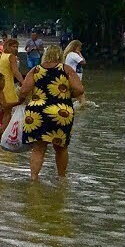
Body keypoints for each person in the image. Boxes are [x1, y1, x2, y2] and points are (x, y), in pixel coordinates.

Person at [18, 45, 84, 180]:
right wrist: (67, 95)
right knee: (61, 148)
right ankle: (61, 178)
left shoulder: (35, 70)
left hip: (37, 112)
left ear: (45, 55)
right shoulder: (66, 69)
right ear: (61, 55)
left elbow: (24, 91)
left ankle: (34, 178)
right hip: (61, 113)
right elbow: (79, 89)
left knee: (38, 148)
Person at [0, 38, 24, 123]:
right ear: (8, 46)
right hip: (7, 87)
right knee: (7, 112)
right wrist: (23, 82)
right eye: (14, 46)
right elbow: (15, 72)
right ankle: (5, 132)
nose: (16, 49)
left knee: (0, 112)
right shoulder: (11, 56)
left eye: (17, 47)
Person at [63, 40, 86, 107]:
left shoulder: (70, 54)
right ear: (75, 47)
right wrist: (79, 53)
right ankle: (82, 107)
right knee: (81, 93)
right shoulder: (74, 55)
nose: (80, 49)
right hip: (74, 77)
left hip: (72, 77)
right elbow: (83, 62)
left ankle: (74, 105)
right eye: (79, 47)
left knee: (74, 93)